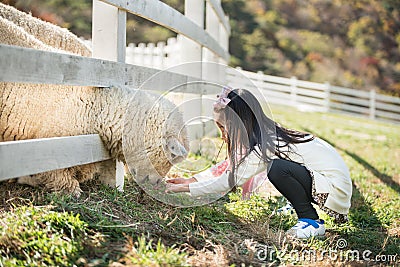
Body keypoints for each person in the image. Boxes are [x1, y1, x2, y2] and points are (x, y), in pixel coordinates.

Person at [166, 87, 352, 239]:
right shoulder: (266, 134)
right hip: (328, 182)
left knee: (277, 169)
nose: (222, 135)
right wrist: (191, 181)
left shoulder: (266, 144)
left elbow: (230, 181)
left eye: (223, 127)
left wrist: (185, 190)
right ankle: (298, 204)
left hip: (334, 189)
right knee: (280, 167)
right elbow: (228, 168)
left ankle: (311, 220)